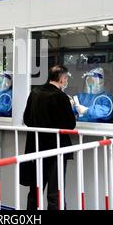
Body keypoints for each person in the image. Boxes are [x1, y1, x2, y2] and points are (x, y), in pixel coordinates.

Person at [20, 65, 76, 210]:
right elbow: (70, 124)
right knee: (55, 192)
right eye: (66, 78)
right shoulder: (61, 97)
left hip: (36, 148)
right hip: (55, 150)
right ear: (63, 79)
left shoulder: (35, 92)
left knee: (35, 190)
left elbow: (26, 119)